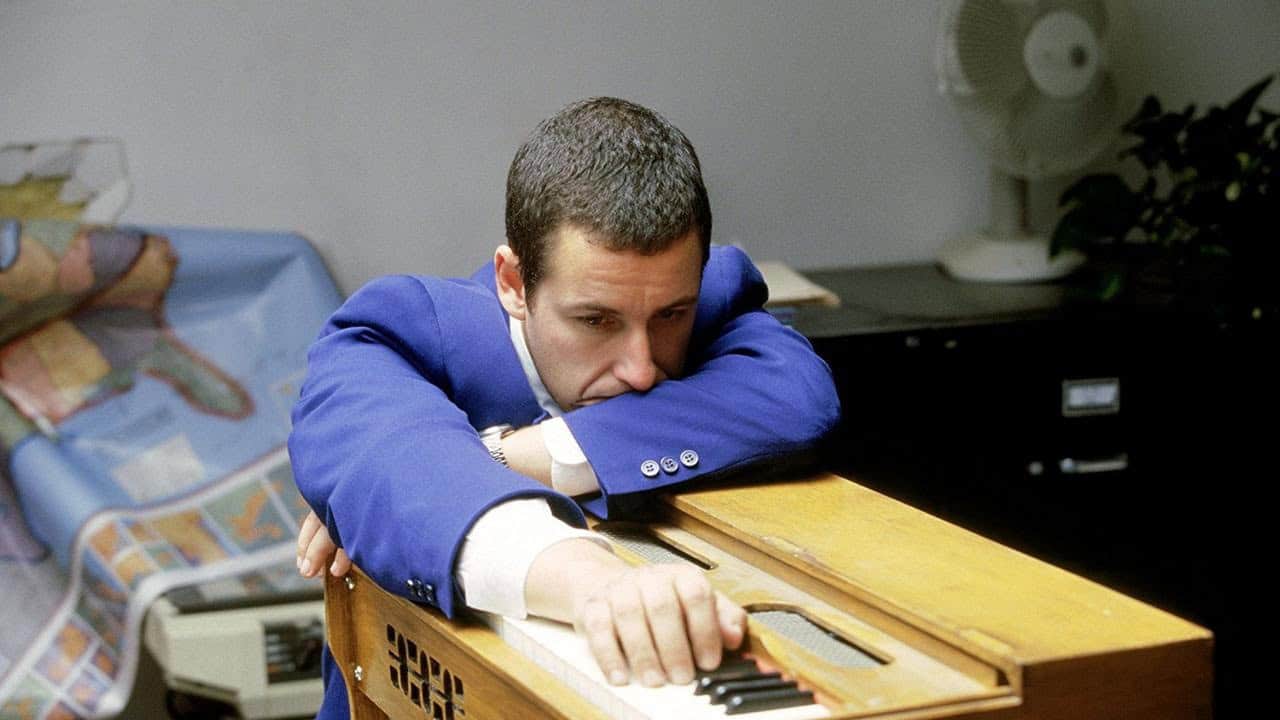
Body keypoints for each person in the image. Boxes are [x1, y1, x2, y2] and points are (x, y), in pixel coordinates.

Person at [288, 97, 840, 717]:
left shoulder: (704, 293)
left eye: (670, 317)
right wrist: (595, 584)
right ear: (512, 283)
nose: (640, 367)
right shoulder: (393, 330)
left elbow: (796, 397)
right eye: (595, 321)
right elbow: (390, 457)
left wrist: (505, 455)